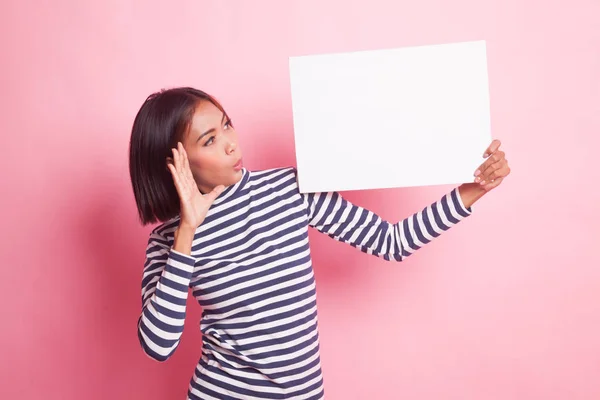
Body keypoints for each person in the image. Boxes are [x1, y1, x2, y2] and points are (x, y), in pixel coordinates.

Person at [129, 87, 511, 400]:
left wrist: (471, 191)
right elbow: (158, 345)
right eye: (210, 140)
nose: (230, 143)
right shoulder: (168, 242)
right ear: (174, 163)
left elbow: (391, 241)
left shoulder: (288, 188)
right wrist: (187, 232)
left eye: (227, 125)